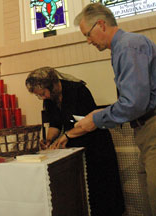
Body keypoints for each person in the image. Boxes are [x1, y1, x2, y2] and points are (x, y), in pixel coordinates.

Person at [72, 2, 156, 216]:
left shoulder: (128, 46)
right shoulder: (122, 48)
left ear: (100, 24)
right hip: (145, 130)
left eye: (87, 35)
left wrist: (97, 119)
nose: (88, 41)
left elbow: (134, 103)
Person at [25, 67, 125, 216]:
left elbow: (89, 123)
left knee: (103, 192)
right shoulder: (50, 100)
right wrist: (48, 139)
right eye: (39, 96)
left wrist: (67, 136)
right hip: (77, 147)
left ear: (52, 85)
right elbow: (55, 124)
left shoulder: (78, 90)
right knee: (84, 193)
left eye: (43, 93)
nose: (43, 98)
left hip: (96, 145)